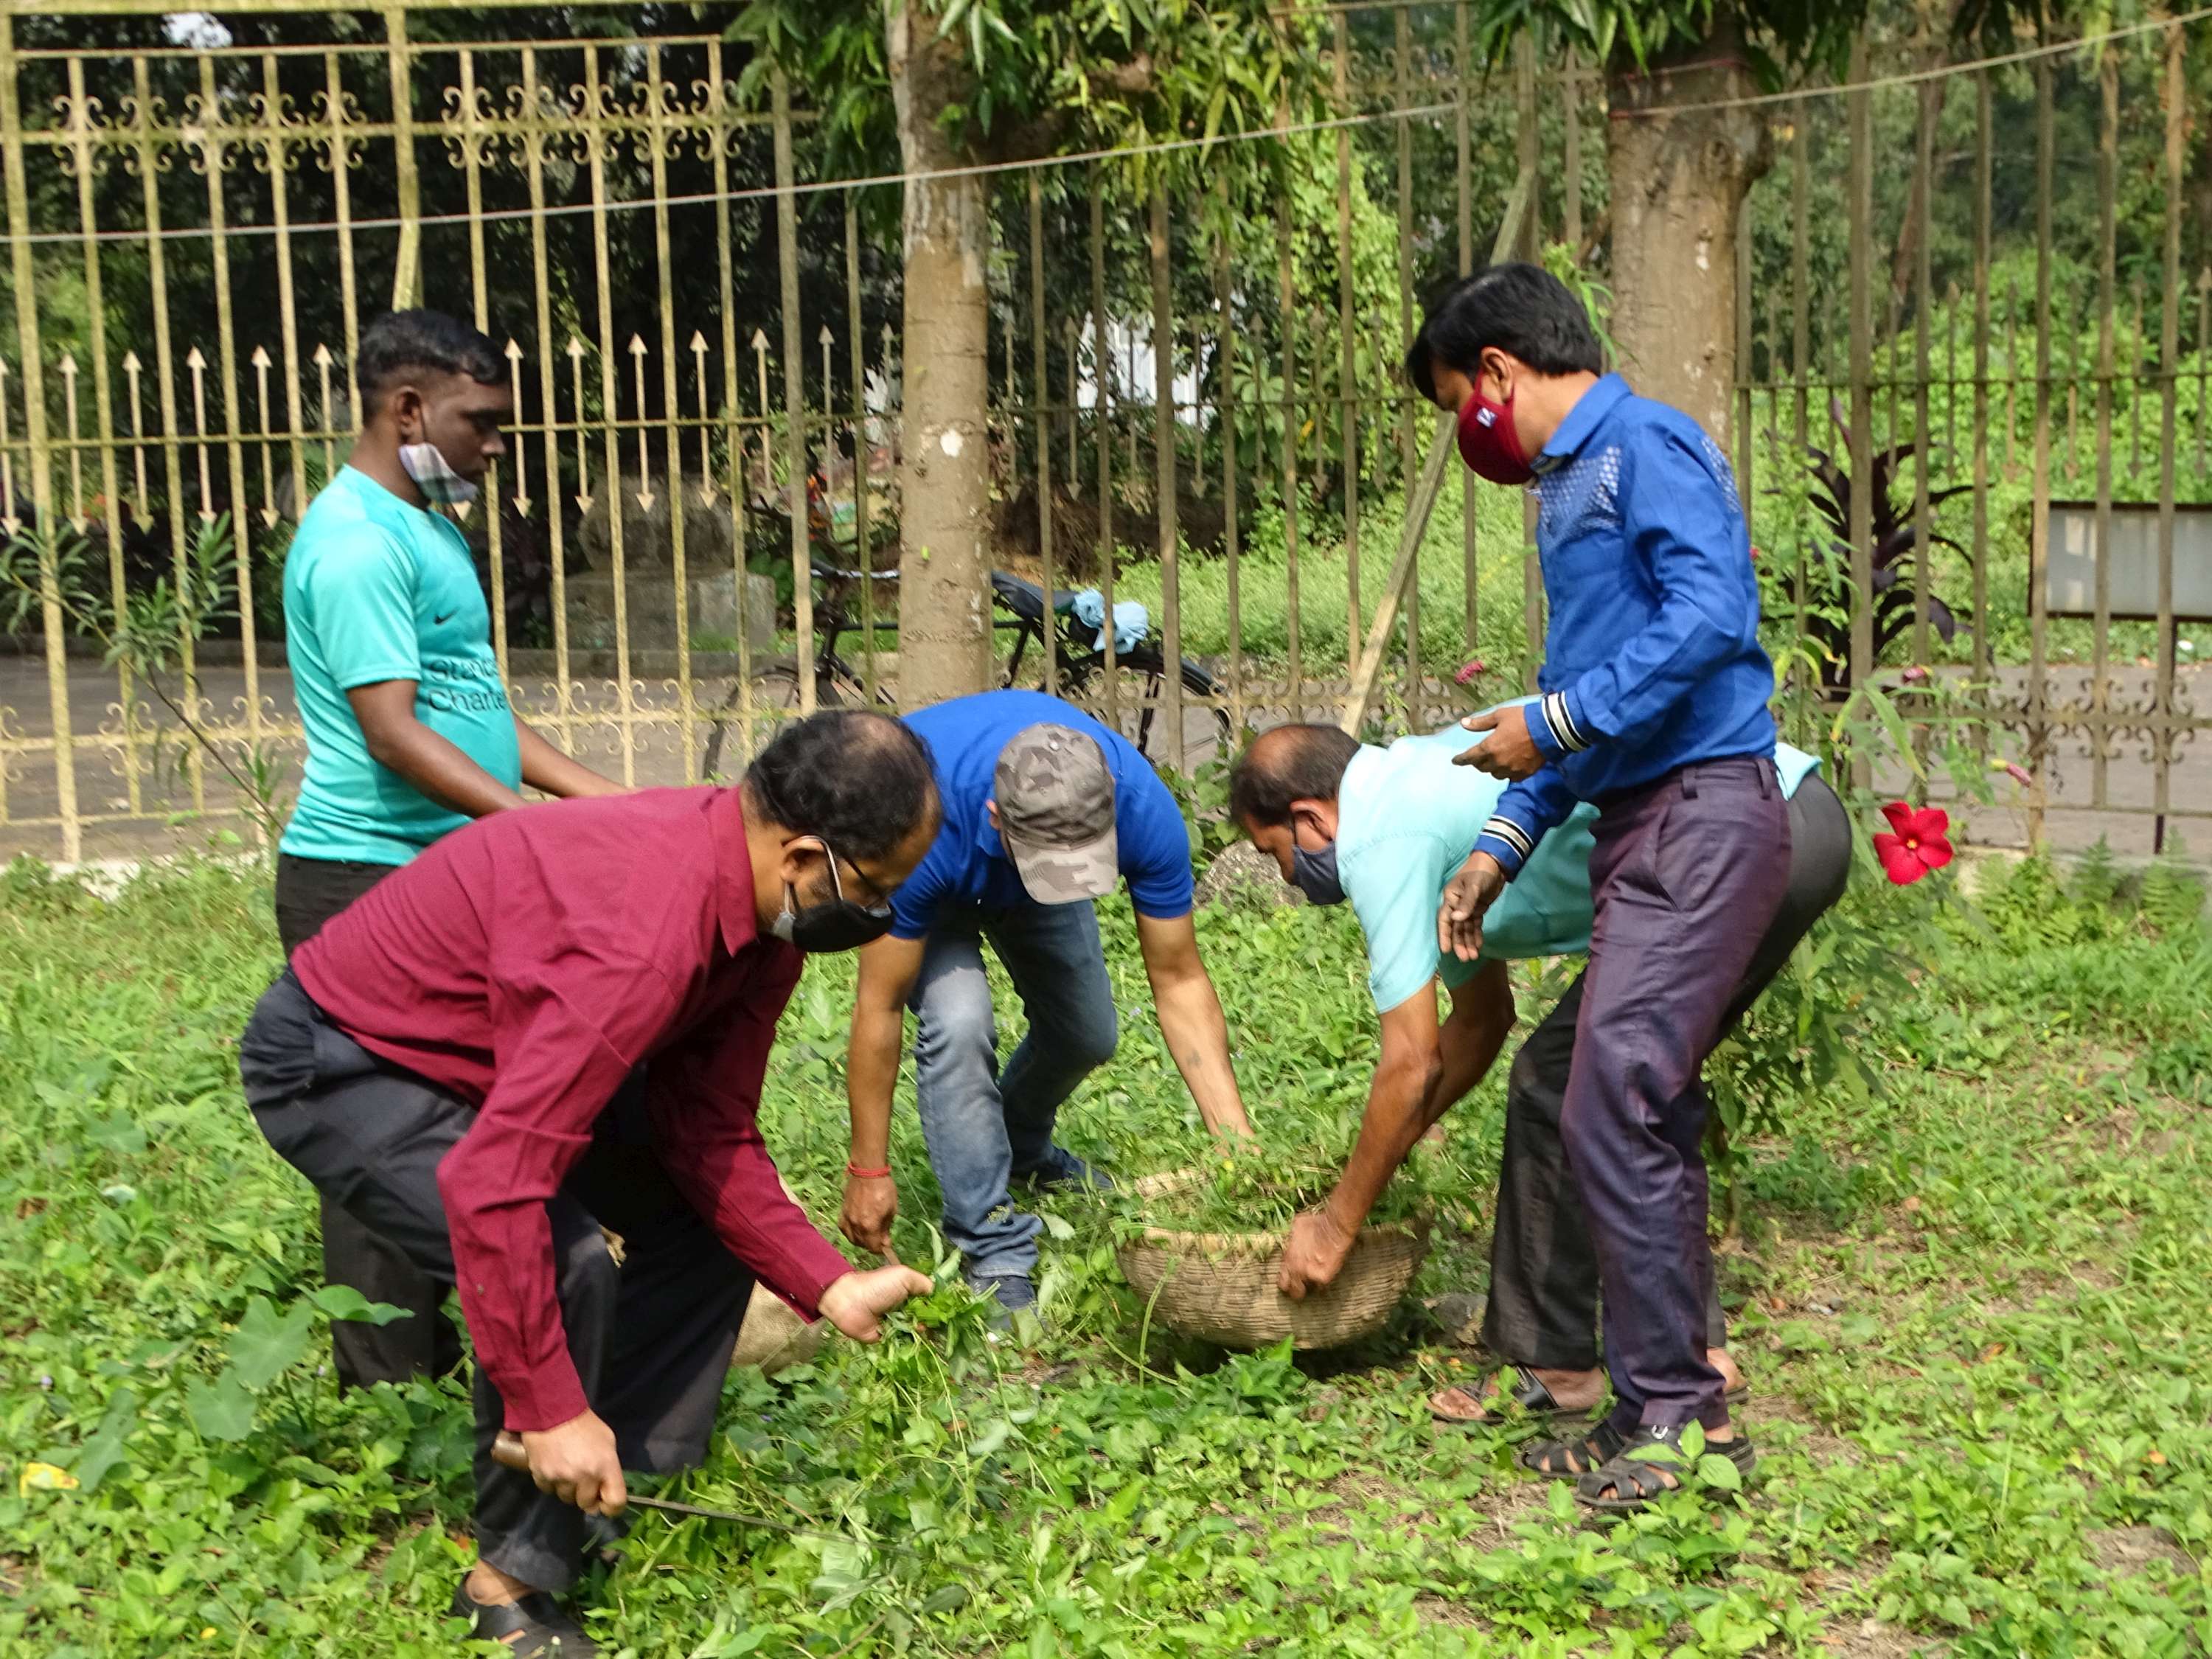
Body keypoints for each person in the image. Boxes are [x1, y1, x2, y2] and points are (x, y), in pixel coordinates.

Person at [237, 712, 940, 1656]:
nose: (879, 920)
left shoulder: (765, 916)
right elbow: (495, 1187)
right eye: (875, 889)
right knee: (563, 1260)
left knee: (701, 1225)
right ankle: (509, 1581)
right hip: (347, 1059)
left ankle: (598, 1493)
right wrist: (549, 1409)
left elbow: (709, 1126)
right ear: (805, 854)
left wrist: (824, 1280)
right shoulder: (641, 935)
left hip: (496, 1059)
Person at [1403, 262, 1791, 1509]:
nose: (1471, 428)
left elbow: (1712, 617)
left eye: (1464, 401)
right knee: (1610, 1093)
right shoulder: (1572, 490)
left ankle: (1686, 1424)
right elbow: (1581, 711)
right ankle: (1653, 1405)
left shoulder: (1642, 447)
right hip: (1645, 819)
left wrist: (1557, 719)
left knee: (1611, 1091)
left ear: (1502, 372)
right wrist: (1502, 843)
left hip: (1703, 813)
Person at [1228, 711, 1849, 1438]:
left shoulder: (1380, 837)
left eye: (1277, 855)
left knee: (1563, 1084)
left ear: (1310, 816)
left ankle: (1563, 1365)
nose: (1291, 880)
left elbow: (1409, 1060)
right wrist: (1381, 1156)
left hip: (1743, 829)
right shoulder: (1415, 786)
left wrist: (1337, 1224)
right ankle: (1693, 1353)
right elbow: (1481, 1021)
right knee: (1618, 1082)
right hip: (1797, 818)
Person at [276, 307, 623, 1392]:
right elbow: (394, 730)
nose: (496, 443)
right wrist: (527, 828)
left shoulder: (430, 523)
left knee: (461, 1105)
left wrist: (596, 799)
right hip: (363, 874)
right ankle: (388, 1388)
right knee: (378, 1126)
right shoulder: (356, 544)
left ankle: (473, 1342)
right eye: (482, 421)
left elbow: (473, 710)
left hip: (445, 870)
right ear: (407, 408)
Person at [840, 689, 1253, 1319]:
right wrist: (868, 1169)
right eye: (1050, 862)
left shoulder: (1143, 811)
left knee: (1087, 1033)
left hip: (1014, 873)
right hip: (933, 873)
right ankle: (993, 1243)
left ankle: (1021, 1148)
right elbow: (881, 1006)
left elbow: (1179, 981)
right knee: (959, 1019)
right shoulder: (915, 825)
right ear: (997, 817)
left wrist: (1237, 1147)